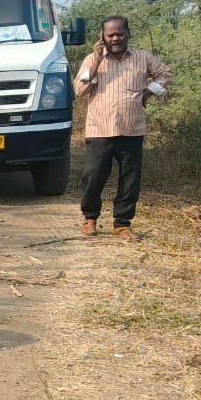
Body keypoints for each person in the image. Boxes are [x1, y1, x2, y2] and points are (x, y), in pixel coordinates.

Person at [73, 16, 172, 240]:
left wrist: (149, 91)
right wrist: (97, 62)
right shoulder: (92, 59)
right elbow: (80, 90)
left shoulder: (143, 57)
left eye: (120, 33)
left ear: (128, 34)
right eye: (110, 35)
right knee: (93, 175)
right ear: (102, 37)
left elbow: (165, 74)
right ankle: (90, 218)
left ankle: (122, 224)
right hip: (100, 129)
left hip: (132, 128)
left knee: (130, 179)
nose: (115, 38)